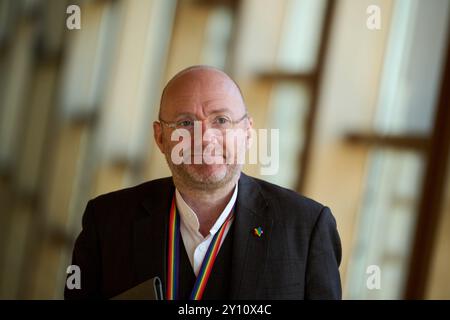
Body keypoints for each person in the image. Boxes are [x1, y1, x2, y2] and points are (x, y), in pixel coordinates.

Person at [64, 65, 342, 300]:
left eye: (221, 120)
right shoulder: (107, 222)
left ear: (246, 133)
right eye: (185, 123)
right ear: (160, 137)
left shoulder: (307, 227)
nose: (205, 138)